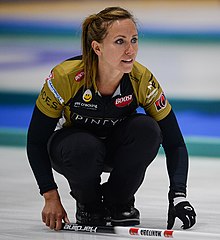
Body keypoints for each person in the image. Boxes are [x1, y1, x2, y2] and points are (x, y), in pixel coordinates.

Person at [27, 6, 196, 231]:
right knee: (83, 146)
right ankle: (89, 203)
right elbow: (36, 141)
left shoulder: (142, 79)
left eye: (134, 40)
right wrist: (50, 196)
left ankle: (119, 201)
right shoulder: (65, 77)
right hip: (75, 152)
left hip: (115, 150)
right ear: (97, 47)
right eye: (120, 41)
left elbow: (175, 142)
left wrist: (178, 196)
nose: (130, 50)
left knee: (148, 129)